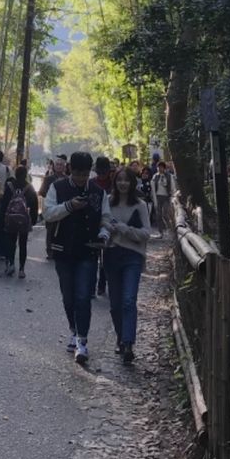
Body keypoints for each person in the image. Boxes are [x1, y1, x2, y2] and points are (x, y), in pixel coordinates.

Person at [44, 152, 111, 365]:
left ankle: (82, 340)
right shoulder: (58, 187)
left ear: (90, 171)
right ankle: (73, 330)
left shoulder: (98, 192)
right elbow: (48, 213)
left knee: (84, 296)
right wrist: (69, 206)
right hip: (63, 250)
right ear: (70, 169)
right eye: (77, 173)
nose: (81, 178)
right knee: (68, 296)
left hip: (88, 251)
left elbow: (106, 219)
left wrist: (104, 234)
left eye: (85, 174)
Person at [104, 168, 151, 364]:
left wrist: (126, 230)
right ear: (115, 182)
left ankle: (128, 343)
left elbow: (147, 233)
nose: (123, 183)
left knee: (129, 300)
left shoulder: (140, 205)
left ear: (132, 183)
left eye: (127, 180)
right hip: (112, 254)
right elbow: (102, 222)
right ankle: (120, 338)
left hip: (133, 256)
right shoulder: (107, 201)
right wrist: (107, 228)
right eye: (119, 180)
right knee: (115, 304)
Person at [1, 166, 39, 278]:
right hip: (24, 220)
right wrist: (33, 219)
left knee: (11, 242)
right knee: (23, 244)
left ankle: (11, 263)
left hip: (11, 219)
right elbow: (34, 205)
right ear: (26, 174)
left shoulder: (9, 186)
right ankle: (22, 269)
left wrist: (3, 218)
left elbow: (4, 204)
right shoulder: (30, 187)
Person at [92, 156, 115, 296]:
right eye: (99, 172)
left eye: (104, 173)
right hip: (93, 223)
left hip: (110, 223)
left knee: (106, 257)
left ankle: (102, 284)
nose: (101, 175)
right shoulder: (91, 183)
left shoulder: (114, 184)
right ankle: (91, 286)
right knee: (92, 257)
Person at [152, 160, 174, 236]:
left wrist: (172, 195)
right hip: (158, 196)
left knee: (165, 214)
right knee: (158, 215)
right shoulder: (155, 176)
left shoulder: (169, 176)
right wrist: (154, 199)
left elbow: (172, 186)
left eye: (161, 167)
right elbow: (153, 188)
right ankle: (160, 232)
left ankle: (170, 229)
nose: (160, 169)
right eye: (158, 167)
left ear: (164, 168)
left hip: (166, 196)